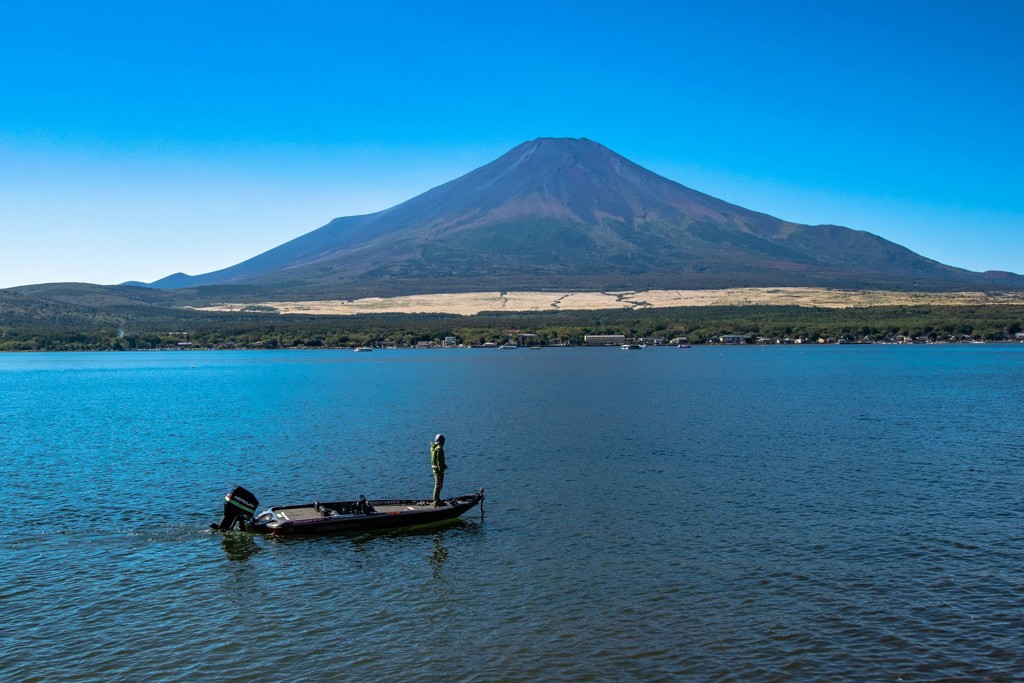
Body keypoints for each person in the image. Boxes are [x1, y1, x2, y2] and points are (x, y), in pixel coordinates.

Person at [431, 434, 447, 506]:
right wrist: (441, 471)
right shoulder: (439, 449)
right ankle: (436, 500)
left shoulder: (433, 448)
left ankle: (436, 499)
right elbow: (439, 461)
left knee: (437, 484)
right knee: (438, 485)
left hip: (434, 469)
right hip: (438, 470)